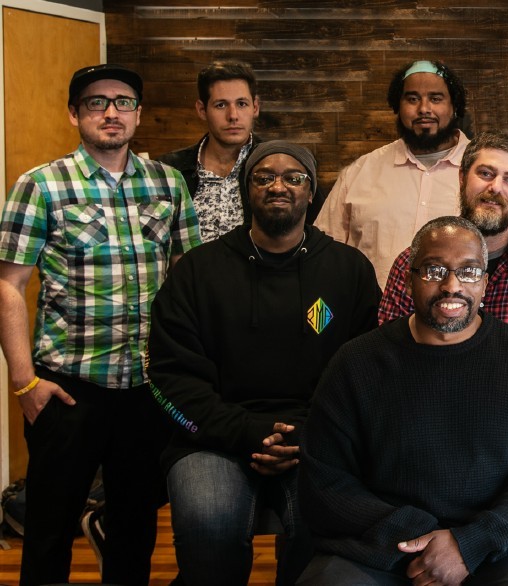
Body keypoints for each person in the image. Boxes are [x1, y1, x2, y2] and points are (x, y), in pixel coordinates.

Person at [0, 63, 200, 586]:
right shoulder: (41, 186)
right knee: (48, 527)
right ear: (74, 114)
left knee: (134, 525)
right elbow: (8, 286)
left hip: (146, 387)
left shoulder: (168, 182)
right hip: (67, 388)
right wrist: (24, 382)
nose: (111, 112)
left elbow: (187, 281)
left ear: (139, 113)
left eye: (123, 102)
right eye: (96, 102)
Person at [148, 141, 380, 585]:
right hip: (212, 438)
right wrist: (247, 431)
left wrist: (310, 433)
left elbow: (366, 373)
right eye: (263, 176)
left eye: (294, 177)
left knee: (323, 520)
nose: (278, 185)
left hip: (316, 438)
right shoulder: (199, 271)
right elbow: (169, 376)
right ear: (245, 189)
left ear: (311, 192)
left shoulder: (349, 270)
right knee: (208, 520)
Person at [298, 216, 508, 585]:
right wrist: (418, 539)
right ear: (408, 278)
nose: (451, 285)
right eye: (435, 270)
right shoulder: (356, 362)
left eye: (470, 271)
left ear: (485, 283)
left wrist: (466, 544)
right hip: (381, 543)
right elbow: (325, 480)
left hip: (493, 546)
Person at [374, 131, 508, 581]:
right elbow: (387, 374)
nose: (495, 187)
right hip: (421, 458)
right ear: (463, 179)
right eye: (485, 173)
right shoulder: (414, 261)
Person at [314, 59, 471, 287]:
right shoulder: (361, 171)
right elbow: (325, 250)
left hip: (457, 315)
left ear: (454, 106)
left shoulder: (483, 171)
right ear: (397, 106)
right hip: (371, 317)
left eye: (436, 98)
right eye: (412, 99)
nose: (424, 108)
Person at [158, 59, 262, 242]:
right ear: (202, 110)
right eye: (221, 105)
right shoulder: (171, 169)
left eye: (242, 104)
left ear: (255, 107)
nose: (233, 116)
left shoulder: (276, 164)